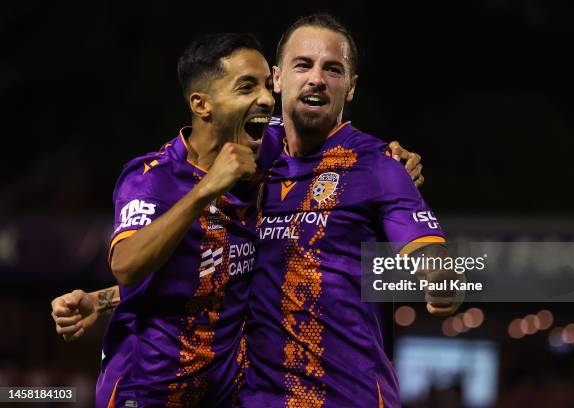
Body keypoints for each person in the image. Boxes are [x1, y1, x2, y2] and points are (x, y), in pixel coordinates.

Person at [50, 30, 424, 407]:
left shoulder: (286, 153)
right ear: (202, 104)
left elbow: (208, 275)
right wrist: (205, 190)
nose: (265, 98)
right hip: (149, 391)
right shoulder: (156, 178)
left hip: (254, 395)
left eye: (264, 86)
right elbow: (132, 266)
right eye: (247, 87)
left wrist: (387, 160)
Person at [238, 14, 460, 407]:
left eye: (333, 69)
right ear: (276, 78)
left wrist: (442, 278)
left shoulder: (379, 166)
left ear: (351, 87)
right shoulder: (246, 157)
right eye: (303, 64)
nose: (316, 79)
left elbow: (429, 252)